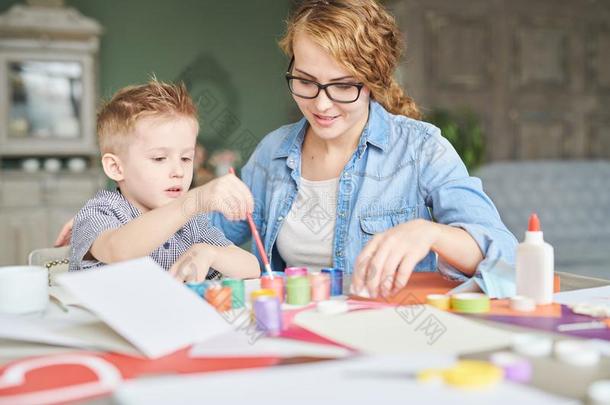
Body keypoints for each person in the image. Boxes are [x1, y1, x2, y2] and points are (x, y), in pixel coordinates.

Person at [58, 0, 517, 298]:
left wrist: (430, 233)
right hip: (293, 330)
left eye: (342, 86)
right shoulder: (276, 151)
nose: (320, 103)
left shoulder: (420, 149)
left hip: (392, 331)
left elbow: (507, 258)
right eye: (305, 81)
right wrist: (121, 212)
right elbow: (199, 226)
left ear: (373, 80)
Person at [68, 79, 258, 282]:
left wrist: (209, 253)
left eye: (186, 158)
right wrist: (193, 201)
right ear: (116, 167)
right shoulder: (99, 212)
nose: (178, 171)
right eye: (159, 158)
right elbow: (118, 250)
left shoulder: (191, 223)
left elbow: (252, 268)